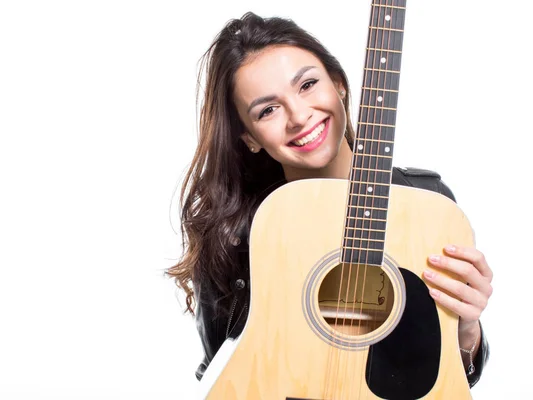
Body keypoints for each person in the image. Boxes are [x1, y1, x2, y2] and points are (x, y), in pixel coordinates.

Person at [167, 11, 492, 389]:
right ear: (250, 137)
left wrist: (467, 328)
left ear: (338, 83)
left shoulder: (428, 205)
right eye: (268, 110)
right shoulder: (236, 234)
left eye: (307, 85)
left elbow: (439, 377)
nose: (299, 116)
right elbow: (222, 377)